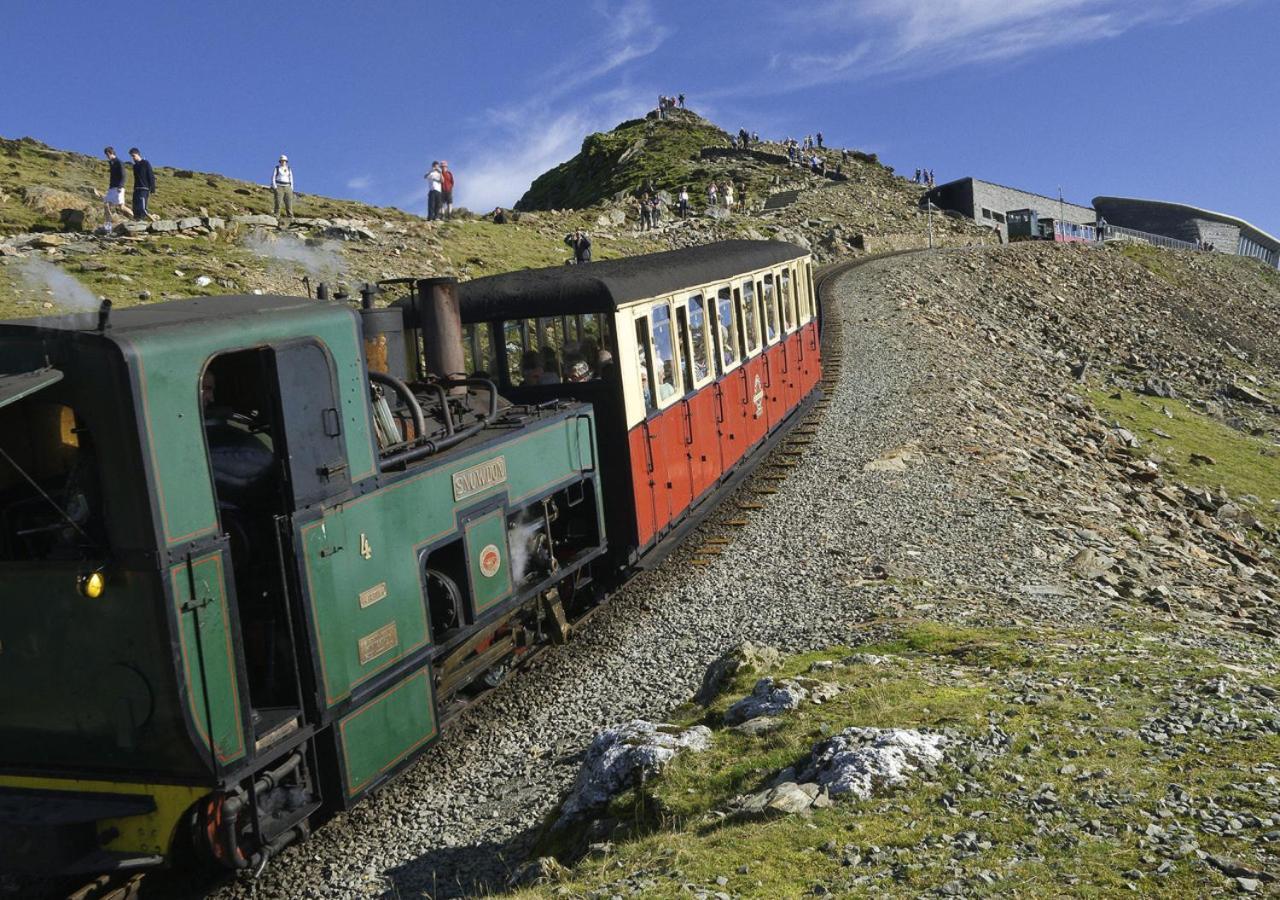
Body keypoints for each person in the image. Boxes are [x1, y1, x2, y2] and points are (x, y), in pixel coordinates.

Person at [102, 147, 129, 228]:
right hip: (112, 187)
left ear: (110, 153)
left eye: (107, 155)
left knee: (121, 207)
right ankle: (108, 226)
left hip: (118, 187)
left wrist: (120, 186)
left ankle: (136, 218)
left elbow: (123, 175)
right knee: (106, 205)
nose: (106, 156)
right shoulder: (111, 163)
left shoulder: (119, 162)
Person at [128, 148, 155, 221]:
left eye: (133, 156)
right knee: (135, 209)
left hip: (144, 189)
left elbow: (151, 175)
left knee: (142, 208)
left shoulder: (145, 163)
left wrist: (152, 187)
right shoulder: (135, 166)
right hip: (136, 189)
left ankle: (154, 221)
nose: (132, 158)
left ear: (138, 154)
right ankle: (138, 223)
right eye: (131, 156)